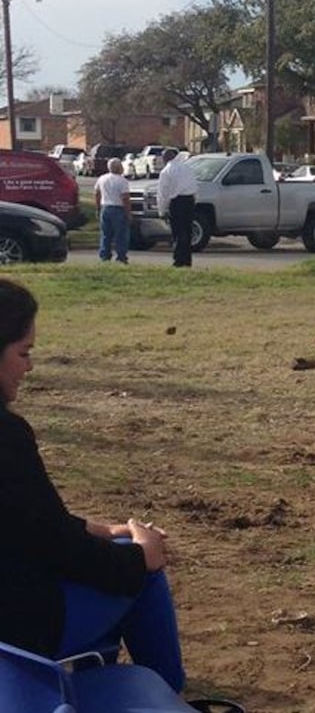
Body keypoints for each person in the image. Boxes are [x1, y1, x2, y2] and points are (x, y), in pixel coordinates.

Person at [0, 278, 184, 691]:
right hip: (16, 632)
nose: (29, 367)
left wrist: (111, 530)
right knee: (140, 578)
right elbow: (60, 547)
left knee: (117, 558)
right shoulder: (7, 437)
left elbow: (32, 521)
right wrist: (141, 559)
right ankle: (173, 697)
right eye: (23, 353)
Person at [157, 148, 198, 268]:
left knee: (178, 232)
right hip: (189, 200)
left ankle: (178, 260)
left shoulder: (167, 171)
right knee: (187, 231)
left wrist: (162, 210)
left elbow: (163, 193)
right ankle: (187, 259)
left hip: (177, 202)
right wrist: (194, 200)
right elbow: (194, 185)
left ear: (166, 158)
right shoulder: (187, 168)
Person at [94, 157, 131, 264]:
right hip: (118, 209)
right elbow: (125, 198)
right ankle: (121, 256)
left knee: (106, 234)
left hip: (105, 207)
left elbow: (97, 194)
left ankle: (105, 256)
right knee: (121, 235)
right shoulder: (122, 181)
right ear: (119, 167)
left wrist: (98, 208)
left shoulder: (102, 179)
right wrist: (128, 213)